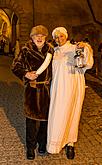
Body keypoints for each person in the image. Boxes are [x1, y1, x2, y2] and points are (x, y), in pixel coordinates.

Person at [47, 27, 94, 159]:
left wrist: (86, 47)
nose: (59, 39)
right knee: (57, 113)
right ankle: (55, 144)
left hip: (72, 86)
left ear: (66, 36)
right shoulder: (54, 51)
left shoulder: (74, 48)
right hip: (57, 88)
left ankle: (70, 143)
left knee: (72, 113)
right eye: (56, 37)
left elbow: (87, 63)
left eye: (61, 36)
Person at [11, 25, 53, 160]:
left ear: (46, 37)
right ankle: (30, 147)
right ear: (32, 37)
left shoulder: (51, 50)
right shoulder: (26, 50)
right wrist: (26, 74)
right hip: (32, 91)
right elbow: (15, 66)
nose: (39, 38)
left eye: (42, 35)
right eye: (36, 35)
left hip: (47, 90)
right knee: (31, 121)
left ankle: (42, 144)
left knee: (45, 120)